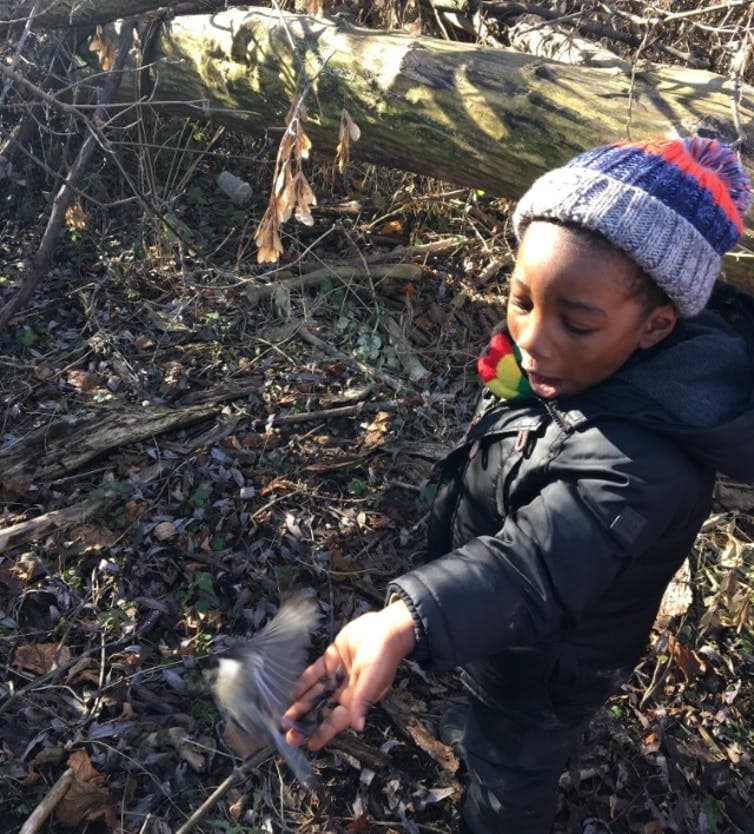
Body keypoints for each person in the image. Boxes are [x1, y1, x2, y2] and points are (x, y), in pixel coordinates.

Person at [283, 135, 754, 832]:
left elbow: (534, 561)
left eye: (575, 319)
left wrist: (406, 618)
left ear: (654, 326)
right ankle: (479, 718)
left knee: (513, 772)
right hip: (490, 631)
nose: (532, 336)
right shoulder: (570, 367)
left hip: (547, 667)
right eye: (522, 299)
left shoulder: (642, 460)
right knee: (492, 720)